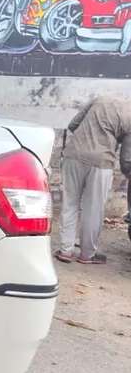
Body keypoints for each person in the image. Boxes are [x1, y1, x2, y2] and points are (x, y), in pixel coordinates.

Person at [56, 96, 131, 265]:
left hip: (73, 155)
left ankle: (65, 250)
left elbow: (73, 124)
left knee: (70, 203)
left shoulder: (100, 99)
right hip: (101, 163)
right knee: (94, 208)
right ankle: (87, 254)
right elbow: (127, 158)